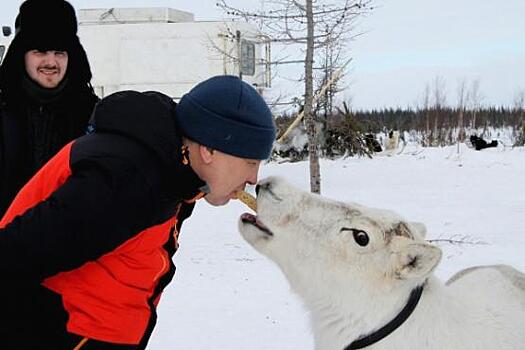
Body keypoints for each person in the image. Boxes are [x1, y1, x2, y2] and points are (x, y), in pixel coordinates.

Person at [0, 75, 276, 349]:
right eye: (250, 162)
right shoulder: (127, 178)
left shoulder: (176, 174)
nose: (253, 179)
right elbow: (18, 251)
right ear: (209, 150)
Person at [0, 0, 99, 216]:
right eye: (40, 51)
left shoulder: (94, 117)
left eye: (59, 52)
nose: (51, 62)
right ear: (21, 54)